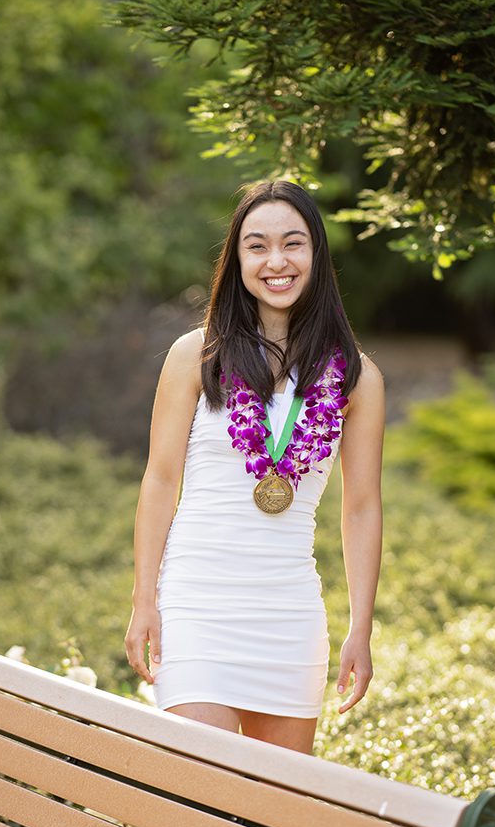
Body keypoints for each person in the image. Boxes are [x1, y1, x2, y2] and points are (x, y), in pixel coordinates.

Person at [124, 179, 385, 759]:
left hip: (287, 615)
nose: (276, 262)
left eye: (293, 244)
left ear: (316, 254)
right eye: (257, 246)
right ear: (236, 259)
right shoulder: (196, 355)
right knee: (195, 808)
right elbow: (160, 480)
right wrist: (145, 599)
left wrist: (361, 629)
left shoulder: (357, 378)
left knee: (271, 818)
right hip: (195, 604)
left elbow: (362, 506)